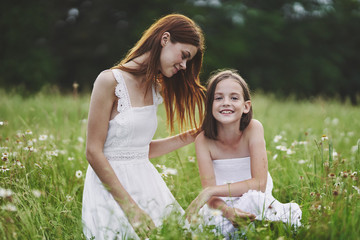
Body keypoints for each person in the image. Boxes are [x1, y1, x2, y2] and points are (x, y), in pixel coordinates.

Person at [81, 14, 206, 240]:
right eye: (184, 56)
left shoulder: (156, 88)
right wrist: (131, 209)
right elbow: (93, 151)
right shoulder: (109, 81)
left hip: (146, 183)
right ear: (165, 39)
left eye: (188, 61)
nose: (184, 65)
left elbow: (141, 150)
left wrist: (192, 135)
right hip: (110, 189)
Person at [186, 69, 302, 238]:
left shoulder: (253, 129)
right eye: (219, 98)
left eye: (234, 98)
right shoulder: (203, 141)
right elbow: (211, 200)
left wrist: (210, 191)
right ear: (210, 104)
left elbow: (260, 184)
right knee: (212, 227)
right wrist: (228, 211)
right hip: (222, 208)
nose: (226, 102)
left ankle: (262, 228)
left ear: (246, 106)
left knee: (255, 201)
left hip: (255, 200)